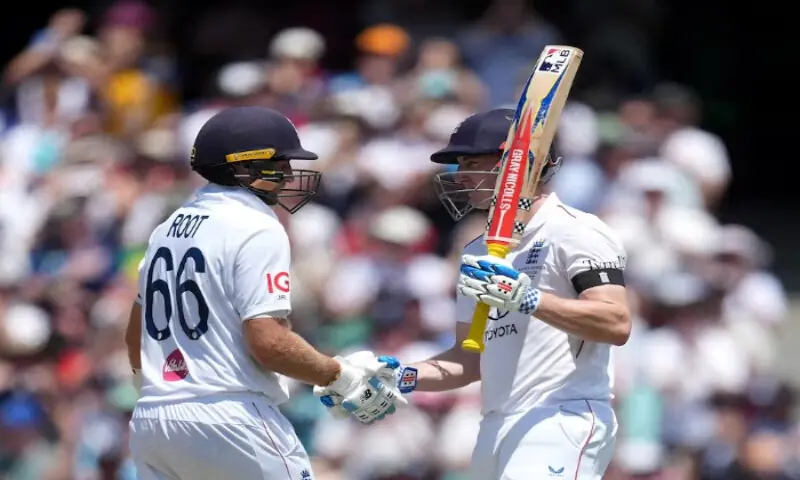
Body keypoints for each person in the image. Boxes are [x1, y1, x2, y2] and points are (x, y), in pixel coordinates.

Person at [318, 108, 632, 479]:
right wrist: (400, 374)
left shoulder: (575, 231)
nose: (460, 176)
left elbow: (616, 322)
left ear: (519, 165)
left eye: (470, 163)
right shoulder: (477, 251)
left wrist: (529, 299)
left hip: (562, 415)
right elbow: (468, 360)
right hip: (496, 423)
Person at [124, 106, 406, 480]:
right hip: (231, 418)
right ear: (244, 167)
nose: (290, 174)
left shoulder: (167, 228)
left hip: (154, 421)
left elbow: (134, 335)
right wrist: (338, 374)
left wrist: (169, 393)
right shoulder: (256, 225)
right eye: (280, 164)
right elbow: (268, 342)